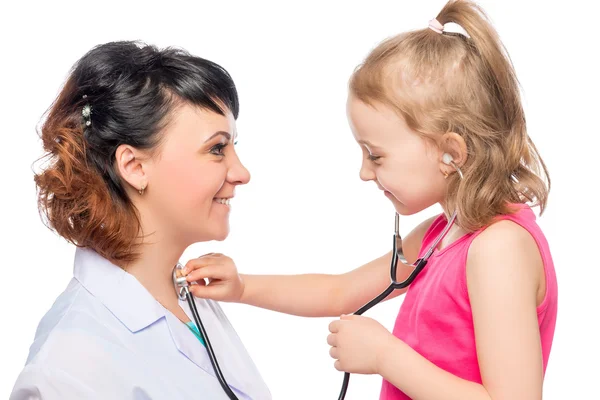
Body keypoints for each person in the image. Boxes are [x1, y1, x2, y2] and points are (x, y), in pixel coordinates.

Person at [181, 1, 557, 398]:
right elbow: (339, 292)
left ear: (451, 153)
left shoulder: (500, 248)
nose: (364, 172)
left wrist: (384, 356)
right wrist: (241, 288)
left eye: (375, 155)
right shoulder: (440, 236)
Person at [10, 41, 271, 400]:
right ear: (134, 167)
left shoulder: (189, 297)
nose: (242, 173)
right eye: (217, 148)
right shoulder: (70, 367)